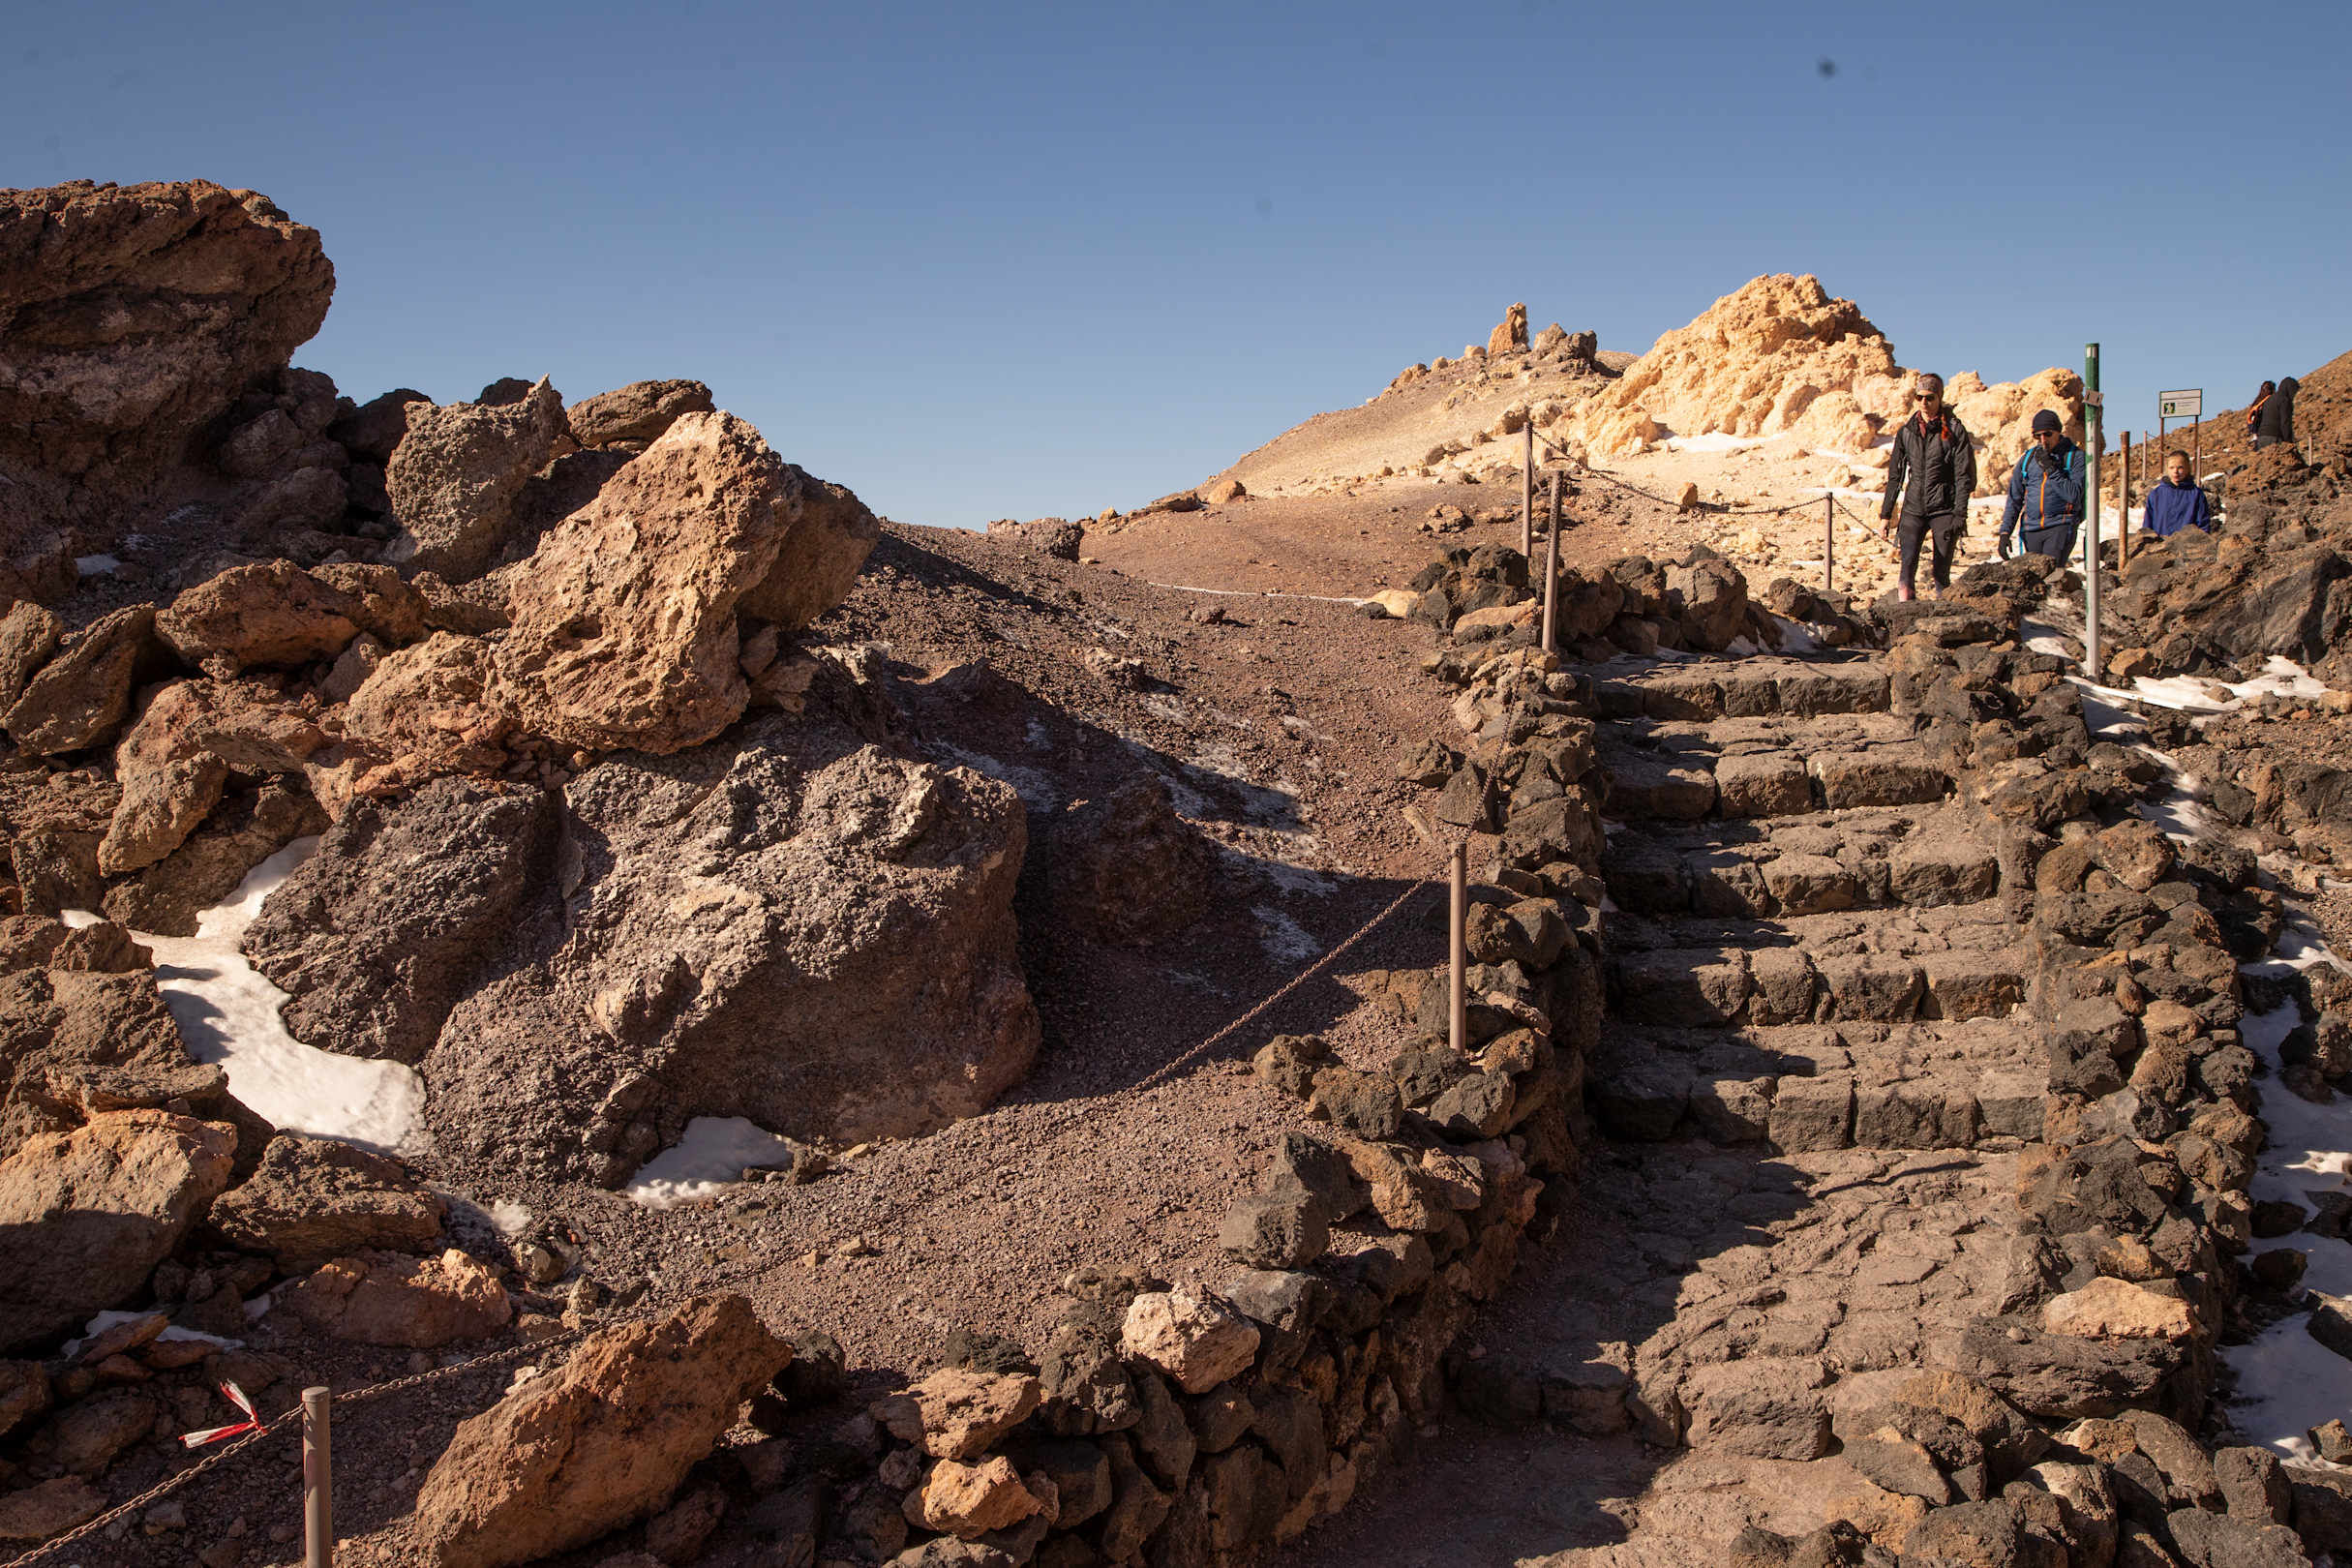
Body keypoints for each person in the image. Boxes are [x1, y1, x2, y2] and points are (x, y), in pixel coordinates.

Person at [1879, 373, 1976, 600]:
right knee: (1906, 566)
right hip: (1913, 508)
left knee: (1941, 571)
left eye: (1930, 397)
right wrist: (1886, 515)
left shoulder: (1954, 430)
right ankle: (1905, 613)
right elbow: (1895, 476)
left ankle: (1942, 614)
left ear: (1939, 397)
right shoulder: (1907, 432)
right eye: (1919, 397)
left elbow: (1964, 475)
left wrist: (1960, 514)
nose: (1924, 402)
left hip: (1944, 509)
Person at [1997, 409, 2084, 562]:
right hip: (2031, 529)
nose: (2043, 440)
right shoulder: (2028, 459)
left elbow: (2074, 495)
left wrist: (2051, 470)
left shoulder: (2075, 457)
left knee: (2052, 573)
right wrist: (2005, 533)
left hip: (2060, 526)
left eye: (2047, 434)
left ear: (2058, 432)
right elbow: (2014, 498)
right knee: (2032, 576)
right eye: (2038, 436)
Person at [2141, 449, 2214, 537]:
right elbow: (2147, 525)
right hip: (2161, 543)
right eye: (2171, 467)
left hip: (2187, 543)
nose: (2175, 471)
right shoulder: (2156, 494)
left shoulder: (2196, 494)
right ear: (2167, 469)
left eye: (2180, 467)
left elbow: (2203, 524)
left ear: (2188, 469)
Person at [2254, 376, 2298, 449]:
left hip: (2261, 438)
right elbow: (2285, 422)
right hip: (2274, 438)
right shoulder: (2284, 400)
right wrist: (2288, 442)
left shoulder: (2269, 399)